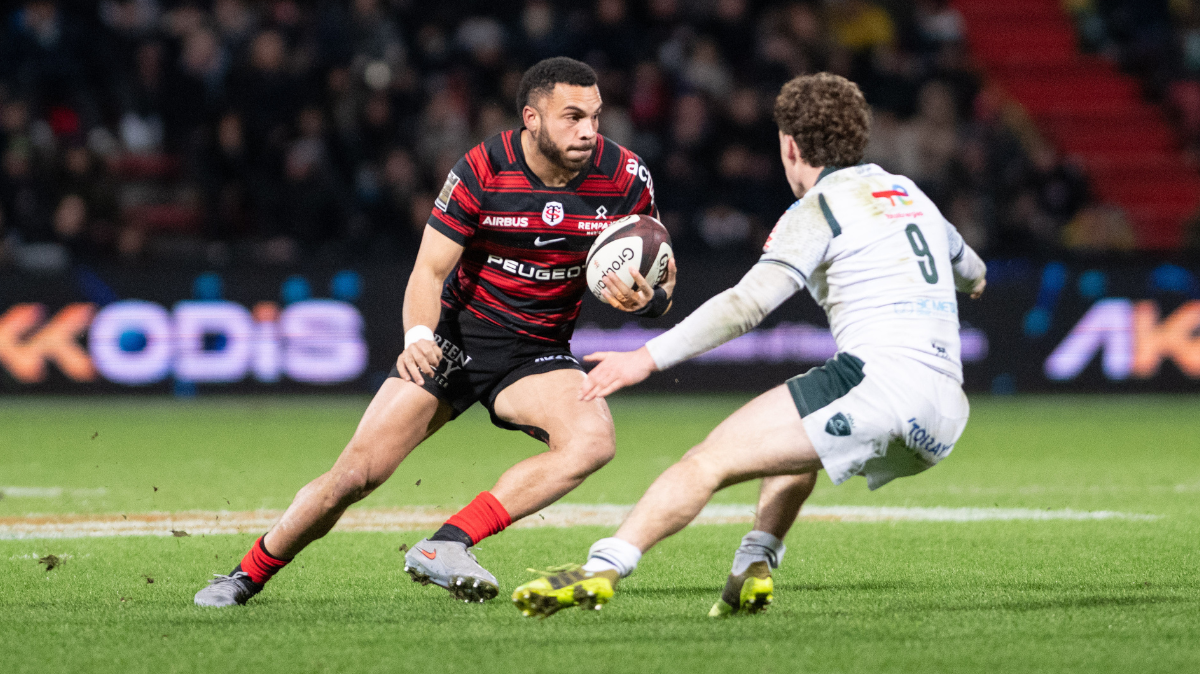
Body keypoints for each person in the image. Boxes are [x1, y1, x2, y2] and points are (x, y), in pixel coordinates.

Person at [195, 57, 675, 607]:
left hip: (538, 351)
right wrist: (418, 334)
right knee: (353, 476)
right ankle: (244, 575)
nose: (589, 131)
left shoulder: (626, 177)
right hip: (455, 340)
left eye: (595, 116)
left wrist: (651, 299)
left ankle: (447, 543)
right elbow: (428, 269)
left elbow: (662, 275)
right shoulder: (482, 169)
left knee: (593, 441)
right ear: (532, 119)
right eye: (572, 117)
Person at [510, 72, 987, 618]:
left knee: (704, 463)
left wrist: (646, 357)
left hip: (877, 385)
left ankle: (601, 569)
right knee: (792, 442)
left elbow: (747, 305)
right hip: (946, 409)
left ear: (790, 145)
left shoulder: (817, 210)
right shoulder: (911, 193)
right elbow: (972, 271)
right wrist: (967, 285)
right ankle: (754, 566)